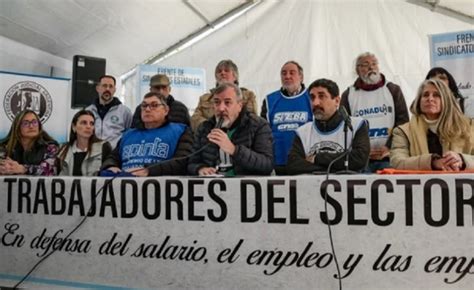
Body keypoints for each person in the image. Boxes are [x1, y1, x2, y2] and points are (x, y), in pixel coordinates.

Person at [340, 52, 409, 172]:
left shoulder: (393, 90)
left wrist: (389, 147)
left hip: (388, 157)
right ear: (358, 70)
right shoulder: (348, 94)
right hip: (362, 160)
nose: (371, 67)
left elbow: (403, 122)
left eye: (374, 64)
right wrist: (363, 150)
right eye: (365, 64)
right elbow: (344, 126)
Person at [188, 82, 273, 176]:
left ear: (239, 106)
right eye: (217, 102)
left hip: (246, 187)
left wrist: (234, 150)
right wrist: (200, 169)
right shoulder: (204, 128)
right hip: (213, 187)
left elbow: (267, 164)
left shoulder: (258, 125)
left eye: (227, 102)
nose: (221, 108)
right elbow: (192, 162)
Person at [286, 79, 370, 174]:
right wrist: (332, 169)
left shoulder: (355, 125)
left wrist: (317, 158)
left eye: (322, 96)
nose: (315, 103)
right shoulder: (303, 132)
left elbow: (359, 159)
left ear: (337, 101)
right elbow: (293, 165)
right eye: (312, 97)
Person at [101, 92, 193, 176]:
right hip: (123, 184)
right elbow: (113, 157)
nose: (148, 109)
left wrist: (149, 170)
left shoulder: (181, 131)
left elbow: (183, 161)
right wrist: (110, 166)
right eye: (144, 106)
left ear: (166, 110)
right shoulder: (128, 134)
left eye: (154, 105)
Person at [391, 79, 474, 170]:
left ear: (446, 100)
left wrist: (462, 159)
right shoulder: (403, 131)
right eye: (425, 95)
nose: (430, 99)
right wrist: (432, 162)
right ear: (419, 101)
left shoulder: (469, 126)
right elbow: (397, 162)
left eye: (436, 95)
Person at [260, 60, 312, 174]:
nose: (287, 76)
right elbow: (262, 134)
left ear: (301, 77)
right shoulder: (270, 100)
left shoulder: (312, 97)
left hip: (304, 162)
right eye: (284, 73)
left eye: (292, 73)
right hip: (277, 162)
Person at [191, 60, 257, 131]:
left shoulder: (247, 96)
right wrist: (211, 126)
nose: (222, 73)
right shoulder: (205, 98)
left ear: (235, 76)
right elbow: (195, 119)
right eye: (219, 71)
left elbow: (251, 119)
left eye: (226, 70)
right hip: (209, 136)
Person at [0, 109, 59, 176]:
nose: (31, 126)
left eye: (34, 122)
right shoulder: (4, 147)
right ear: (17, 127)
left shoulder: (50, 147)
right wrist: (6, 169)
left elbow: (49, 171)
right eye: (26, 123)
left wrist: (22, 169)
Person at [58, 110, 112, 176]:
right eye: (84, 123)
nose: (88, 127)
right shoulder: (63, 149)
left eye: (91, 124)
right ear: (74, 127)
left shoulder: (104, 147)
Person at [86, 75, 133, 148]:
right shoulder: (88, 111)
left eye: (111, 86)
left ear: (114, 90)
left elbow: (131, 134)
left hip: (114, 155)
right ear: (98, 88)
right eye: (104, 86)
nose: (107, 89)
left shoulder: (125, 112)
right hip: (92, 153)